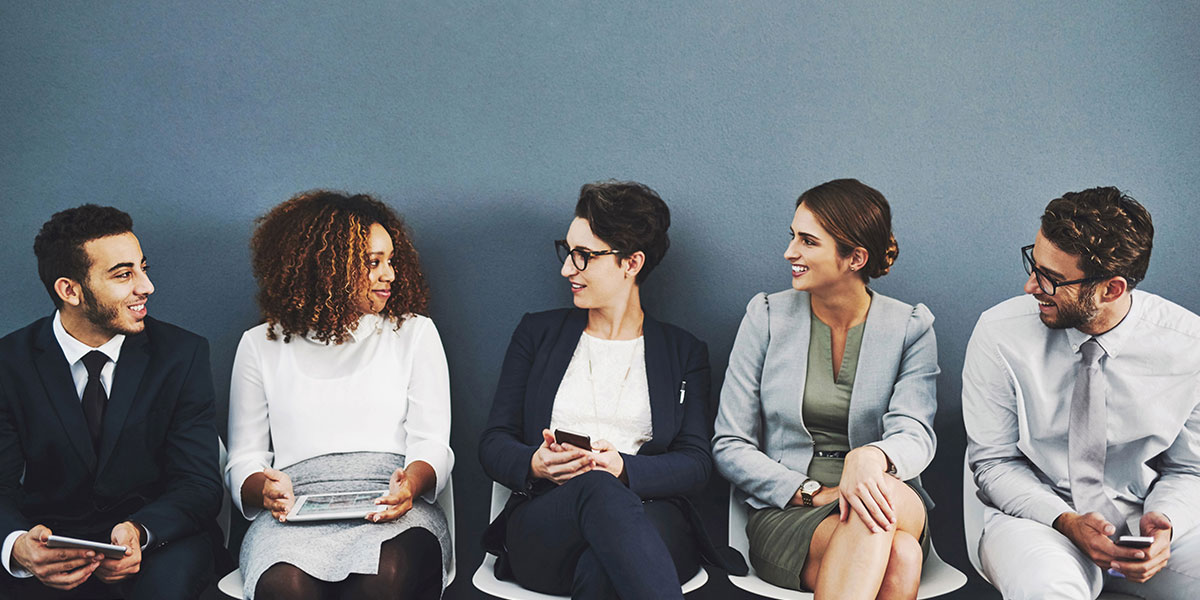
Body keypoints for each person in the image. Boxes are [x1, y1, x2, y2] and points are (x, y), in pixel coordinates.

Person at [479, 181, 741, 600]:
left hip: (650, 517)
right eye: (567, 252)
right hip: (547, 521)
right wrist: (535, 462)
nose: (567, 269)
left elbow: (695, 463)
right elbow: (493, 442)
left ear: (631, 262)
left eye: (583, 256)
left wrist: (623, 469)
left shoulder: (683, 352)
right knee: (599, 496)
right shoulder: (537, 333)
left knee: (604, 570)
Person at [964, 187, 1200, 600]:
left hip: (1142, 513)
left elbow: (1190, 470)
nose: (1030, 286)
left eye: (1051, 279)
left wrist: (1166, 522)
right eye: (1034, 265)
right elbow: (994, 462)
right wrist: (1066, 521)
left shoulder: (1189, 346)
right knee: (1045, 589)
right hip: (1037, 518)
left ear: (1111, 289)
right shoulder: (998, 334)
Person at [713, 179, 938, 599]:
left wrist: (868, 459)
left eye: (807, 241)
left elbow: (915, 433)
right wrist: (809, 491)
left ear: (855, 257)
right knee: (902, 556)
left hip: (887, 495)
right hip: (789, 511)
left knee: (876, 500)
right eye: (792, 236)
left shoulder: (910, 327)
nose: (789, 252)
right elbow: (730, 443)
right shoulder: (765, 317)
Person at [224, 191, 453, 600]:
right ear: (326, 269)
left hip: (392, 505)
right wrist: (265, 489)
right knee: (285, 586)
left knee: (385, 577)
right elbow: (244, 458)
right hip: (294, 515)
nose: (390, 275)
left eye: (391, 261)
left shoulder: (414, 334)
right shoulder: (260, 345)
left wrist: (409, 486)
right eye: (373, 263)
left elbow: (432, 442)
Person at [0, 205, 222, 599]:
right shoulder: (8, 363)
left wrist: (141, 531)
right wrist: (17, 546)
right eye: (124, 274)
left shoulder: (181, 354)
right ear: (70, 290)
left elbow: (199, 483)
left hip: (162, 542)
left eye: (143, 268)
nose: (146, 286)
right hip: (53, 544)